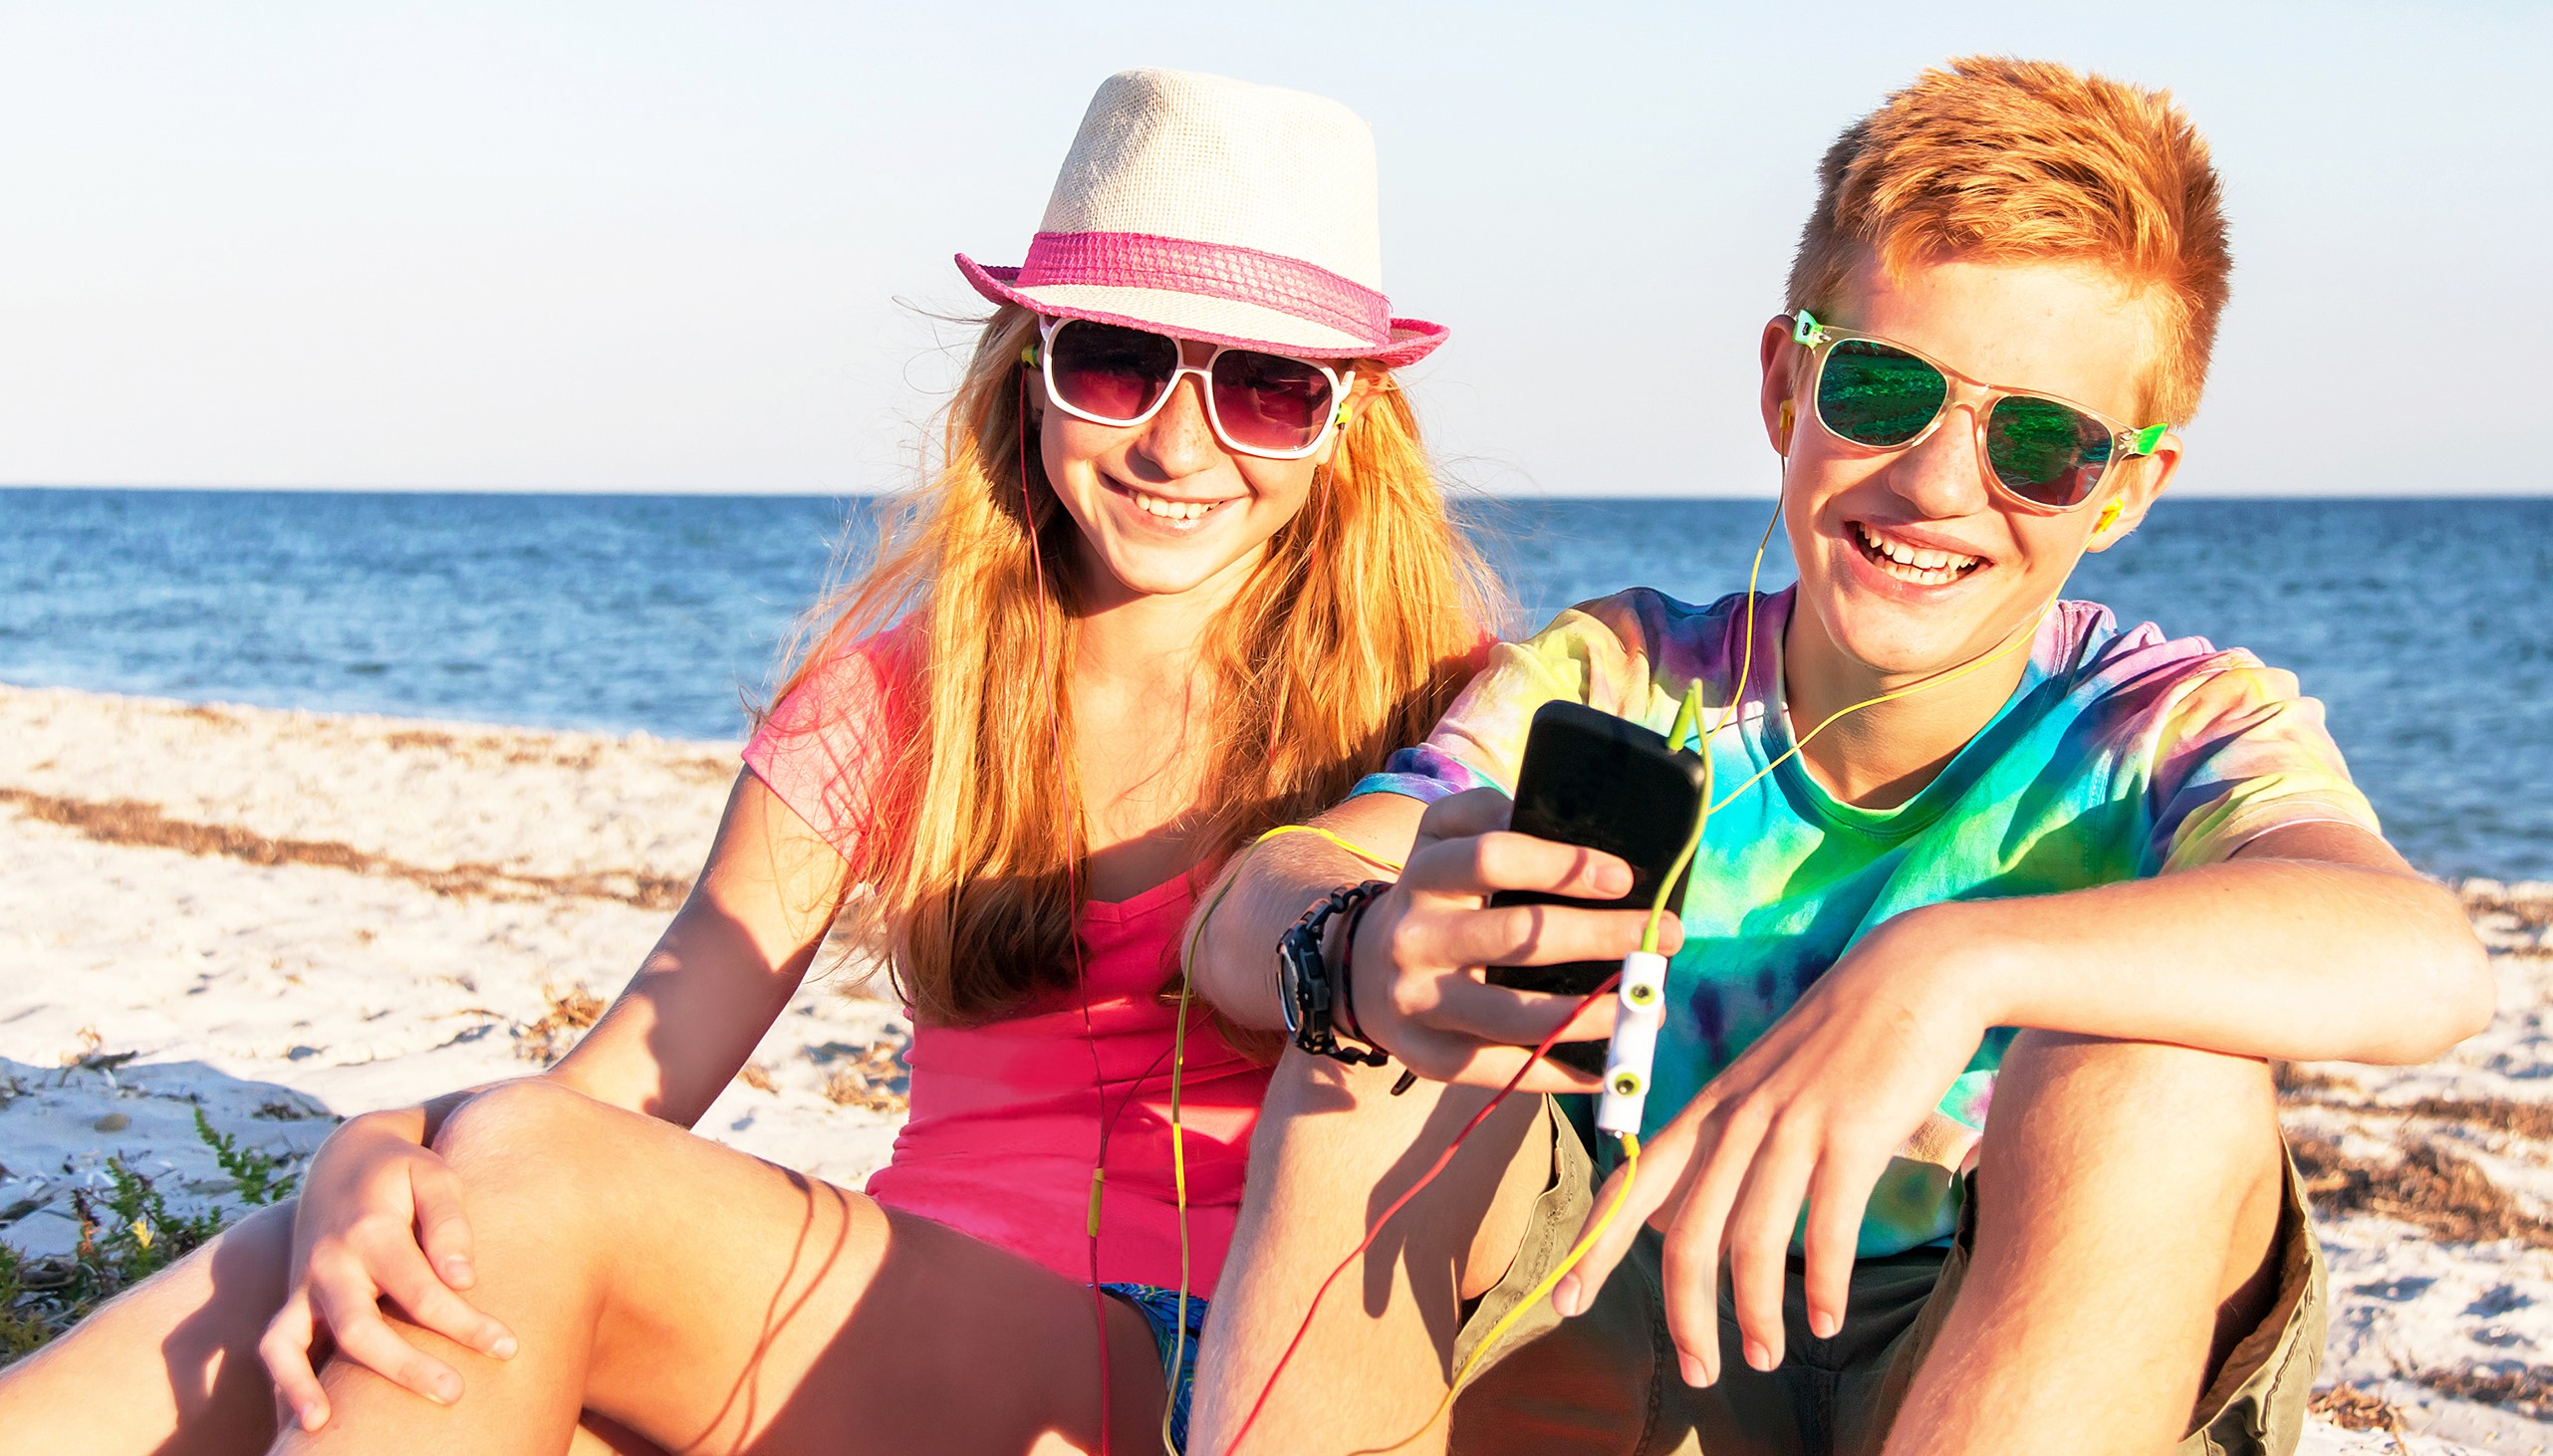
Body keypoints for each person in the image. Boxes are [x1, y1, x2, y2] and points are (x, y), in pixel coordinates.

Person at [0, 68, 1501, 1455]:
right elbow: (618, 1088)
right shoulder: (910, 698)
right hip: (863, 1346)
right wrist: (363, 1154)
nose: (1178, 447)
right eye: (1119, 361)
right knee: (360, 1245)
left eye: (1261, 388)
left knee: (499, 1199)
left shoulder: (1439, 714)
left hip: (1190, 1367)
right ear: (1029, 368)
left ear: (1349, 421)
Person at [1179, 57, 2493, 1456]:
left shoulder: (2164, 725)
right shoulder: (1624, 676)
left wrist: (1950, 962)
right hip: (1620, 1336)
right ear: (1784, 383)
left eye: (2043, 442)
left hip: (1992, 1358)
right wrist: (1365, 940)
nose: (1936, 479)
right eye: (1881, 388)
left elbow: (2425, 961)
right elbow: (1258, 897)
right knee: (1385, 1025)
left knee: (2159, 1074)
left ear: (2124, 490)